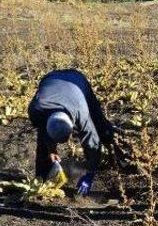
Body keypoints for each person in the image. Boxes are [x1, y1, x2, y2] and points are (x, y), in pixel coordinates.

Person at [27, 69, 114, 197]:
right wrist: (51, 149)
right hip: (50, 78)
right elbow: (42, 129)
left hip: (77, 82)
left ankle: (119, 158)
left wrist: (89, 173)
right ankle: (42, 181)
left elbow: (92, 142)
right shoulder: (35, 109)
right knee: (42, 145)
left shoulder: (81, 110)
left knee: (100, 125)